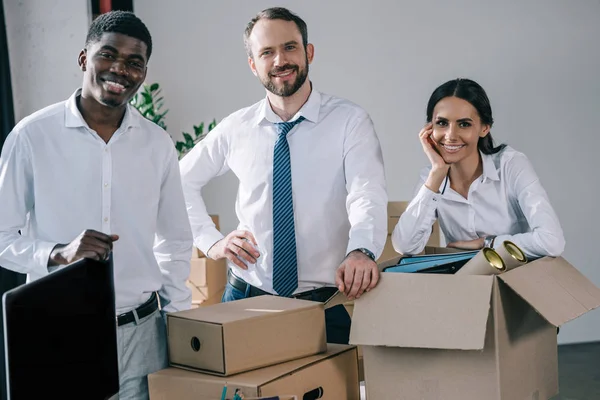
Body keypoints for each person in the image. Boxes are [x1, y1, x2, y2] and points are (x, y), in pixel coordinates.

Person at [0, 11, 192, 399]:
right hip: (59, 331)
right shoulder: (32, 136)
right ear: (84, 58)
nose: (120, 69)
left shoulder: (157, 145)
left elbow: (174, 241)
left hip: (143, 334)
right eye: (108, 55)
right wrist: (57, 253)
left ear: (143, 72)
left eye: (134, 62)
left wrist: (178, 322)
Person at [179, 7, 387, 344]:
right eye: (267, 52)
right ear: (253, 64)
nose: (280, 60)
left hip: (324, 303)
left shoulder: (350, 122)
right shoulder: (237, 127)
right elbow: (179, 181)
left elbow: (367, 193)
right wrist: (212, 242)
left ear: (309, 52)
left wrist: (362, 250)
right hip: (246, 298)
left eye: (290, 47)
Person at [392, 78, 565, 259]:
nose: (450, 136)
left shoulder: (511, 165)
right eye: (442, 123)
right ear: (429, 128)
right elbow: (405, 246)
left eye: (464, 124)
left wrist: (488, 243)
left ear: (484, 128)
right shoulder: (432, 177)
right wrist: (436, 173)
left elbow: (552, 241)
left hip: (516, 278)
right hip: (465, 282)